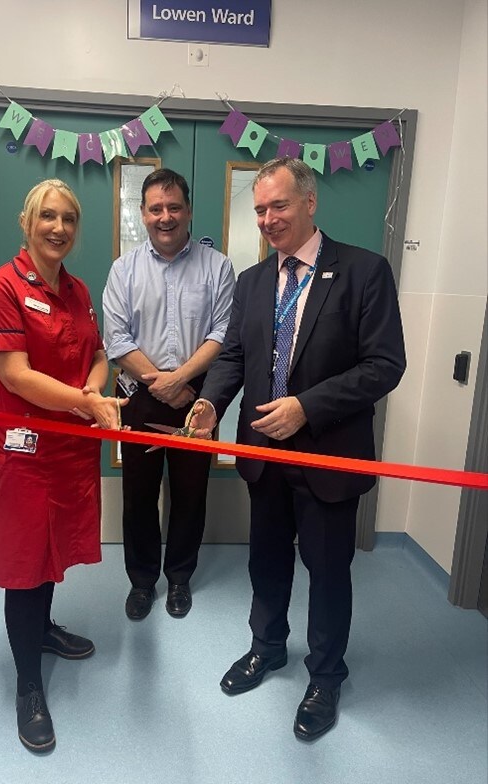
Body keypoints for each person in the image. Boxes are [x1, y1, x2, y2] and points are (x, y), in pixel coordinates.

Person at [190, 158, 406, 741]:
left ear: (310, 203)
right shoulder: (254, 281)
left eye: (278, 206)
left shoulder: (365, 272)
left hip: (328, 457)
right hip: (263, 454)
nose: (267, 218)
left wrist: (307, 406)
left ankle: (326, 675)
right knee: (266, 562)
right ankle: (267, 648)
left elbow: (385, 365)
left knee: (329, 572)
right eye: (259, 209)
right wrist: (211, 402)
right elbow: (234, 354)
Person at [0, 179, 126, 753]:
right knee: (25, 559)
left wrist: (94, 386)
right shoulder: (2, 287)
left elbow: (96, 353)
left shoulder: (79, 290)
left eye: (67, 219)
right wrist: (89, 403)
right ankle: (27, 686)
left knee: (52, 547)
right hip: (25, 452)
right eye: (48, 217)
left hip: (68, 450)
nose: (58, 228)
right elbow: (14, 373)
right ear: (26, 221)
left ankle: (41, 629)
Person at [103, 168, 235, 621]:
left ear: (188, 210)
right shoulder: (124, 270)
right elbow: (116, 339)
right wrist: (161, 382)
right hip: (139, 395)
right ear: (142, 214)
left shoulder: (218, 267)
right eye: (156, 208)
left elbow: (223, 333)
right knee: (138, 494)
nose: (165, 216)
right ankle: (142, 581)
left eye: (174, 207)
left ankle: (179, 577)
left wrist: (182, 381)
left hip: (197, 398)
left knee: (190, 491)